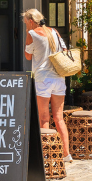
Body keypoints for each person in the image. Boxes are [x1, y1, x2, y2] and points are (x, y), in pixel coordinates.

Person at [22, 9, 72, 161]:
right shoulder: (54, 32)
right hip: (59, 78)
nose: (26, 25)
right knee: (59, 118)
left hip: (43, 79)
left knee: (44, 118)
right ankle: (66, 154)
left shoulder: (32, 34)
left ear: (31, 21)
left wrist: (27, 34)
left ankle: (47, 155)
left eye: (26, 22)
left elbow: (28, 56)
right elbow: (65, 50)